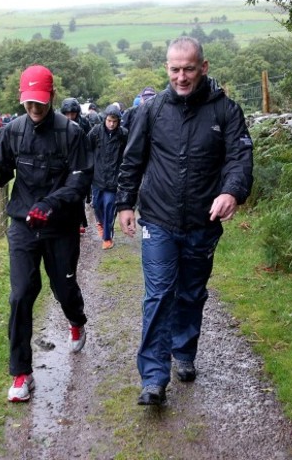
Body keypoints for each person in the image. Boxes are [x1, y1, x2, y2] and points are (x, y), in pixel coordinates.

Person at [116, 36, 254, 406]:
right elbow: (133, 160)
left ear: (203, 68)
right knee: (159, 294)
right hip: (158, 220)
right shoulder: (152, 110)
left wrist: (232, 192)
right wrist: (125, 204)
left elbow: (239, 159)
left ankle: (184, 351)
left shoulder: (226, 111)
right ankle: (154, 378)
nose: (181, 77)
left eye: (189, 69)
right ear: (167, 69)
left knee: (191, 293)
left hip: (202, 223)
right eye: (175, 69)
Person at [0, 65, 93, 403]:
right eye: (29, 102)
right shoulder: (12, 131)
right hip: (24, 226)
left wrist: (52, 205)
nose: (34, 109)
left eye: (40, 102)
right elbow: (1, 177)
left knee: (64, 287)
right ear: (21, 98)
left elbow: (80, 180)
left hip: (60, 226)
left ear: (52, 97)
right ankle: (21, 374)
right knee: (20, 296)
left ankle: (77, 320)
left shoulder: (71, 134)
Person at [88, 104, 128, 250]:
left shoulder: (123, 134)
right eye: (109, 120)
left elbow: (128, 154)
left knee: (109, 207)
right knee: (97, 206)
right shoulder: (96, 132)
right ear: (105, 119)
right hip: (97, 178)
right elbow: (87, 149)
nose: (111, 124)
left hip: (114, 179)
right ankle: (101, 223)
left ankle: (107, 237)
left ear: (118, 121)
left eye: (115, 121)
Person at [60, 97, 92, 233]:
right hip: (63, 162)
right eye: (67, 113)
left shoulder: (84, 123)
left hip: (79, 161)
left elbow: (89, 142)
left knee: (78, 195)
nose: (69, 116)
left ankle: (78, 223)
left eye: (72, 113)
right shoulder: (58, 124)